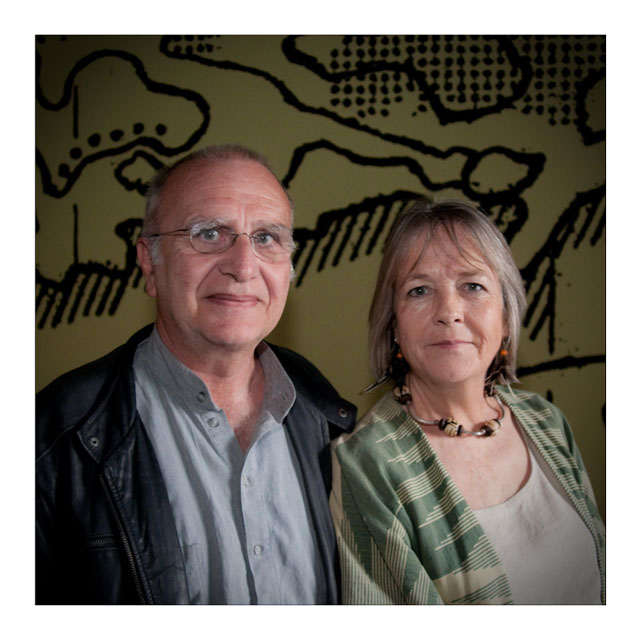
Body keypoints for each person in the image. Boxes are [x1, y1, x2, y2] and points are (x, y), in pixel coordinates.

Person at [36, 144, 356, 604]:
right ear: (149, 261)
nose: (243, 266)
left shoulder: (329, 420)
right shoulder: (49, 441)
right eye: (208, 233)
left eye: (267, 237)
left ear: (289, 266)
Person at [330, 199, 605, 605]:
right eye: (419, 290)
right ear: (394, 326)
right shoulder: (366, 464)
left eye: (473, 286)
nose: (449, 312)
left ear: (505, 316)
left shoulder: (546, 421)